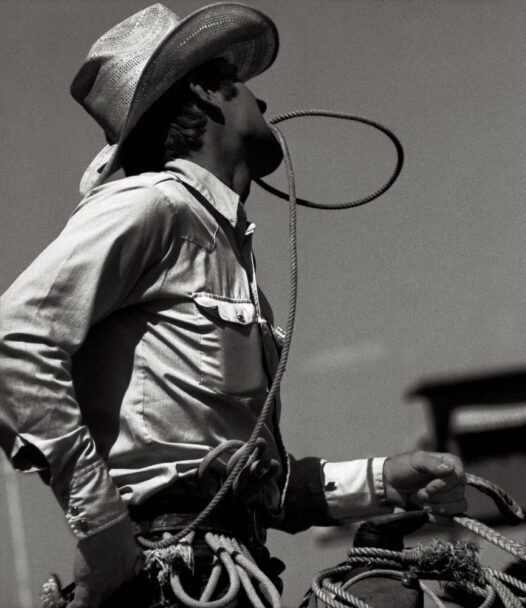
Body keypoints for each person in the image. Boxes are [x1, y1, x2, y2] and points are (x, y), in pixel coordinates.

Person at [0, 3, 467, 607]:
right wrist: (103, 528)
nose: (263, 102)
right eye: (243, 83)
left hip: (230, 575)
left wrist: (383, 480)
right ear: (207, 91)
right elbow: (15, 337)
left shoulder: (222, 245)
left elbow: (256, 491)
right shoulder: (152, 206)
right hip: (166, 581)